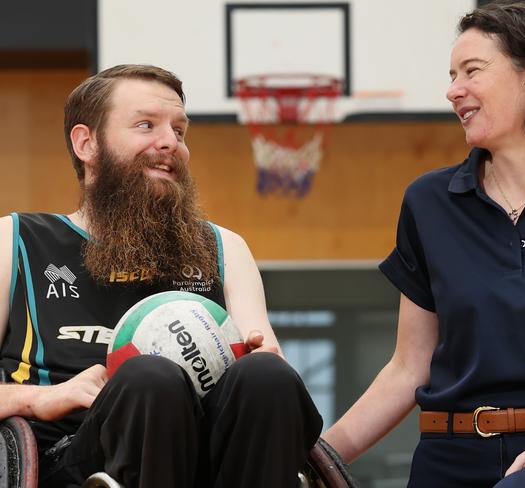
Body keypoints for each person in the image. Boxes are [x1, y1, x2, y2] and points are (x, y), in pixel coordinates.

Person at [322, 2, 525, 487]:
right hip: (445, 459)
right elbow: (408, 367)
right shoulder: (428, 201)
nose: (453, 90)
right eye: (452, 75)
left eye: (472, 71)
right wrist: (319, 458)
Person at [0, 64, 322, 488]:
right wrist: (41, 398)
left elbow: (268, 373)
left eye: (180, 130)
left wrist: (263, 357)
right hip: (74, 460)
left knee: (269, 377)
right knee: (149, 378)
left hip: (211, 465)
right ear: (86, 143)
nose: (171, 142)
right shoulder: (15, 240)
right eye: (146, 125)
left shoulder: (223, 248)